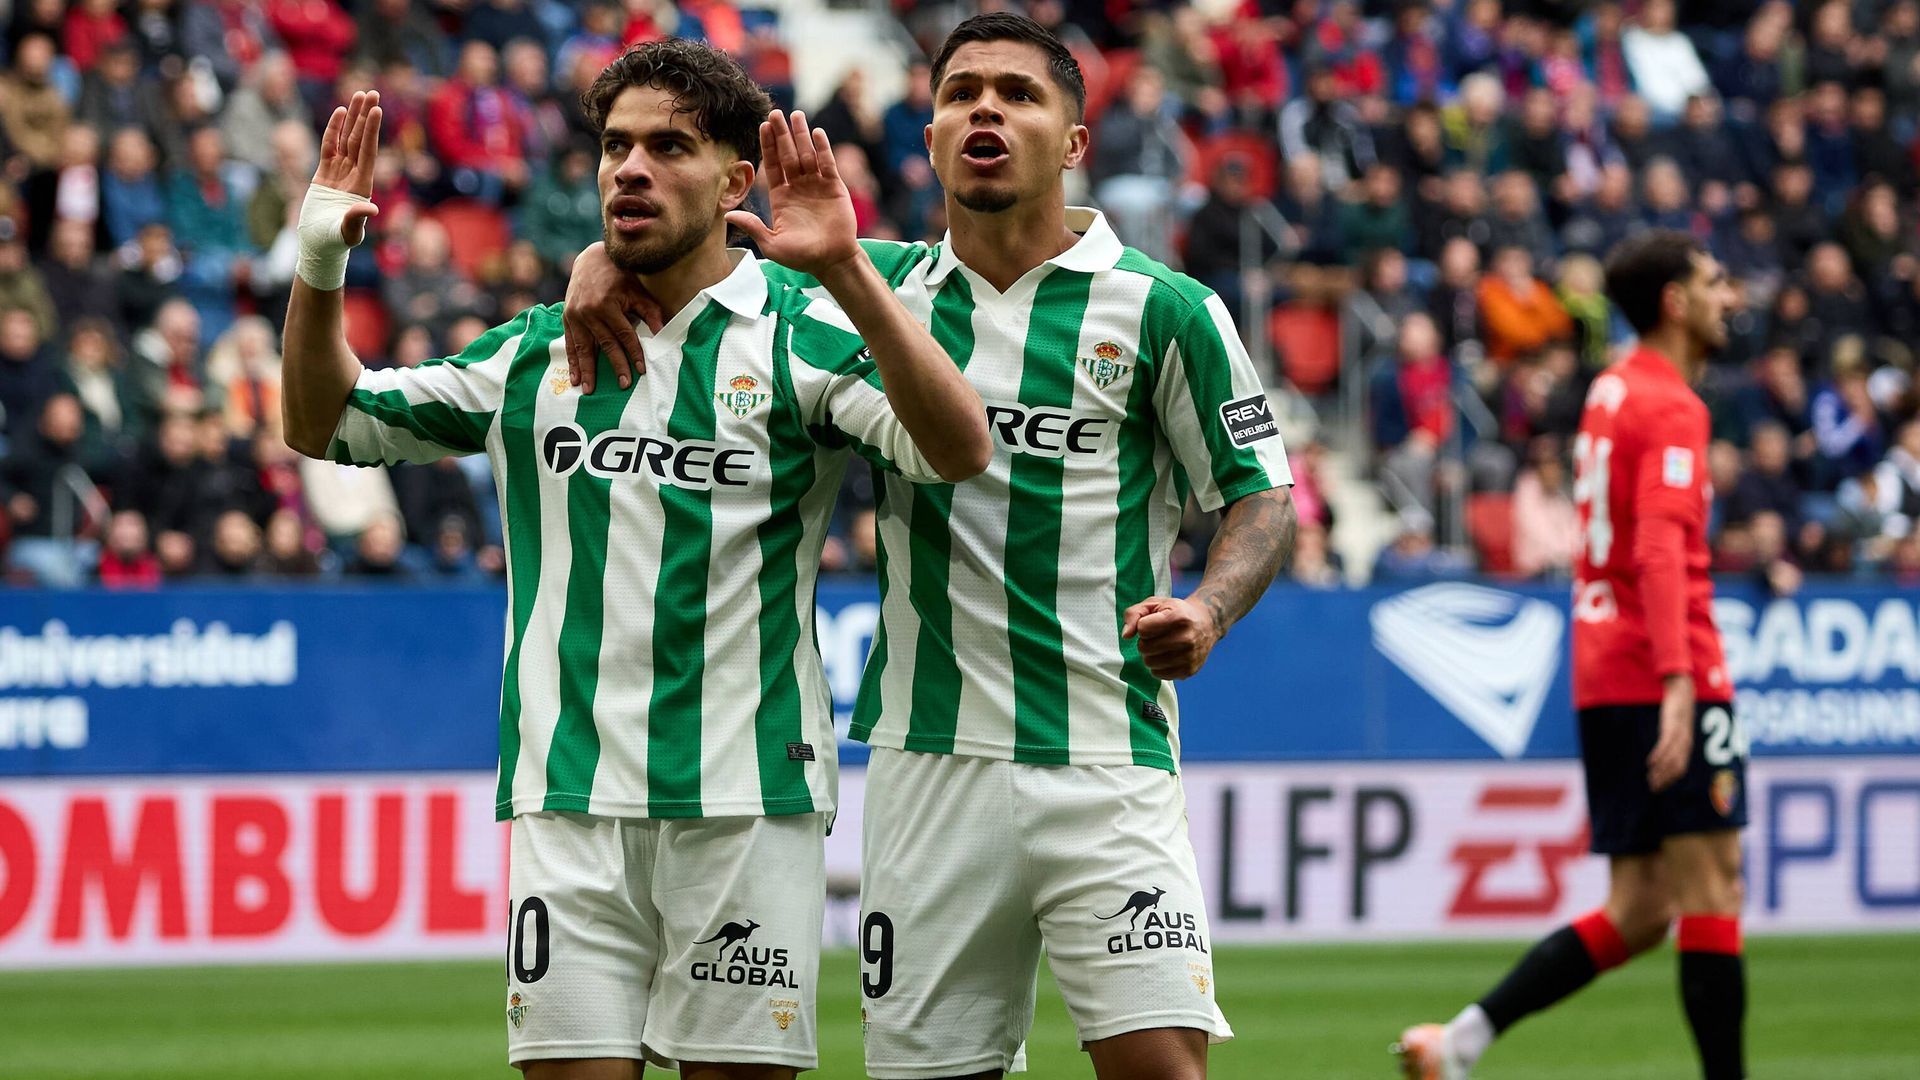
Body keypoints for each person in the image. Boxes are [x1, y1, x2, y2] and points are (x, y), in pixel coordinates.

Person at [566, 15, 1296, 1079]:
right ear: (934, 133)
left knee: (1160, 1069)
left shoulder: (1164, 310)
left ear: (1075, 141)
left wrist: (1212, 608)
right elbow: (684, 258)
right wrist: (598, 261)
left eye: (1017, 92)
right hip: (926, 762)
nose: (984, 110)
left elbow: (1262, 495)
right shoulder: (862, 284)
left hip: (1106, 749)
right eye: (960, 93)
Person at [278, 40, 989, 1079]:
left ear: (737, 180)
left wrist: (842, 267)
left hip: (747, 803)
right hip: (567, 802)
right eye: (616, 147)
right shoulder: (534, 352)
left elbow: (956, 447)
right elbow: (324, 421)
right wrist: (318, 260)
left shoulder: (799, 339)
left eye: (669, 147)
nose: (631, 169)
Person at [1398, 230, 1748, 1080]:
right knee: (1714, 889)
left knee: (1639, 910)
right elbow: (1662, 549)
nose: (1728, 296)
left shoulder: (1611, 392)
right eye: (1714, 281)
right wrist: (1678, 681)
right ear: (1675, 301)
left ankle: (1461, 1042)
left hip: (1603, 667)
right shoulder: (1672, 405)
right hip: (1664, 665)